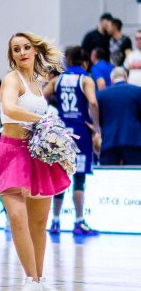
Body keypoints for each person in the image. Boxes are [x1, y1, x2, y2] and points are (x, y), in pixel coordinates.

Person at [0, 32, 70, 291]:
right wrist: (42, 120)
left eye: (26, 47)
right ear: (12, 56)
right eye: (16, 49)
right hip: (11, 152)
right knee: (17, 217)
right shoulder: (11, 79)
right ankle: (29, 280)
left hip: (36, 153)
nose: (22, 52)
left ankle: (40, 279)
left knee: (39, 222)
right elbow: (10, 108)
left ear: (35, 51)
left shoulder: (38, 82)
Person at [45, 46, 101, 236]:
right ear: (84, 62)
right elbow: (92, 102)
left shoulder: (56, 80)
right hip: (80, 132)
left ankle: (55, 221)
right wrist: (96, 128)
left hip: (61, 132)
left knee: (59, 177)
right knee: (79, 177)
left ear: (67, 61)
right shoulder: (85, 80)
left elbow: (41, 100)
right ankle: (79, 222)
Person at [97, 67, 141, 165]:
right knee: (135, 173)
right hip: (134, 141)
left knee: (110, 173)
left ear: (111, 80)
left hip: (109, 141)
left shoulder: (101, 95)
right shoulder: (138, 91)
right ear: (126, 78)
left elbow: (96, 118)